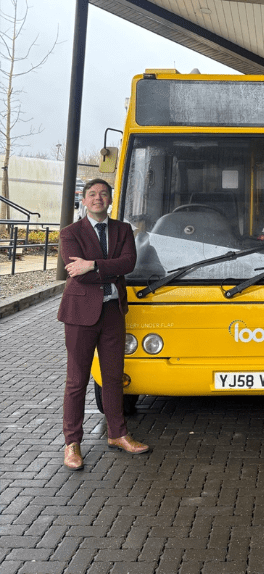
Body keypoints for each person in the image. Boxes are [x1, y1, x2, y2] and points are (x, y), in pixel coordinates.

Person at [58, 178, 150, 470]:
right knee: (77, 381)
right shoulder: (70, 233)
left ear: (110, 200)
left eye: (103, 194)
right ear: (84, 201)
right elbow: (78, 274)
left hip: (112, 312)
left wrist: (93, 264)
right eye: (92, 194)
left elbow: (129, 263)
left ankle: (118, 434)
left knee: (113, 377)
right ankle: (72, 443)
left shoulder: (123, 230)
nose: (98, 198)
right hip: (80, 315)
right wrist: (101, 269)